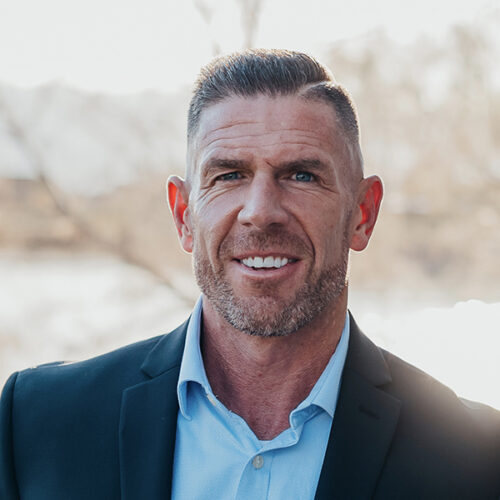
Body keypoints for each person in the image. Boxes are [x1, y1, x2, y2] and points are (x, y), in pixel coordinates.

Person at [1, 49, 499, 500]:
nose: (260, 212)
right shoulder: (38, 424)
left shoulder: (476, 459)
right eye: (229, 175)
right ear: (183, 215)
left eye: (302, 175)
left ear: (362, 215)